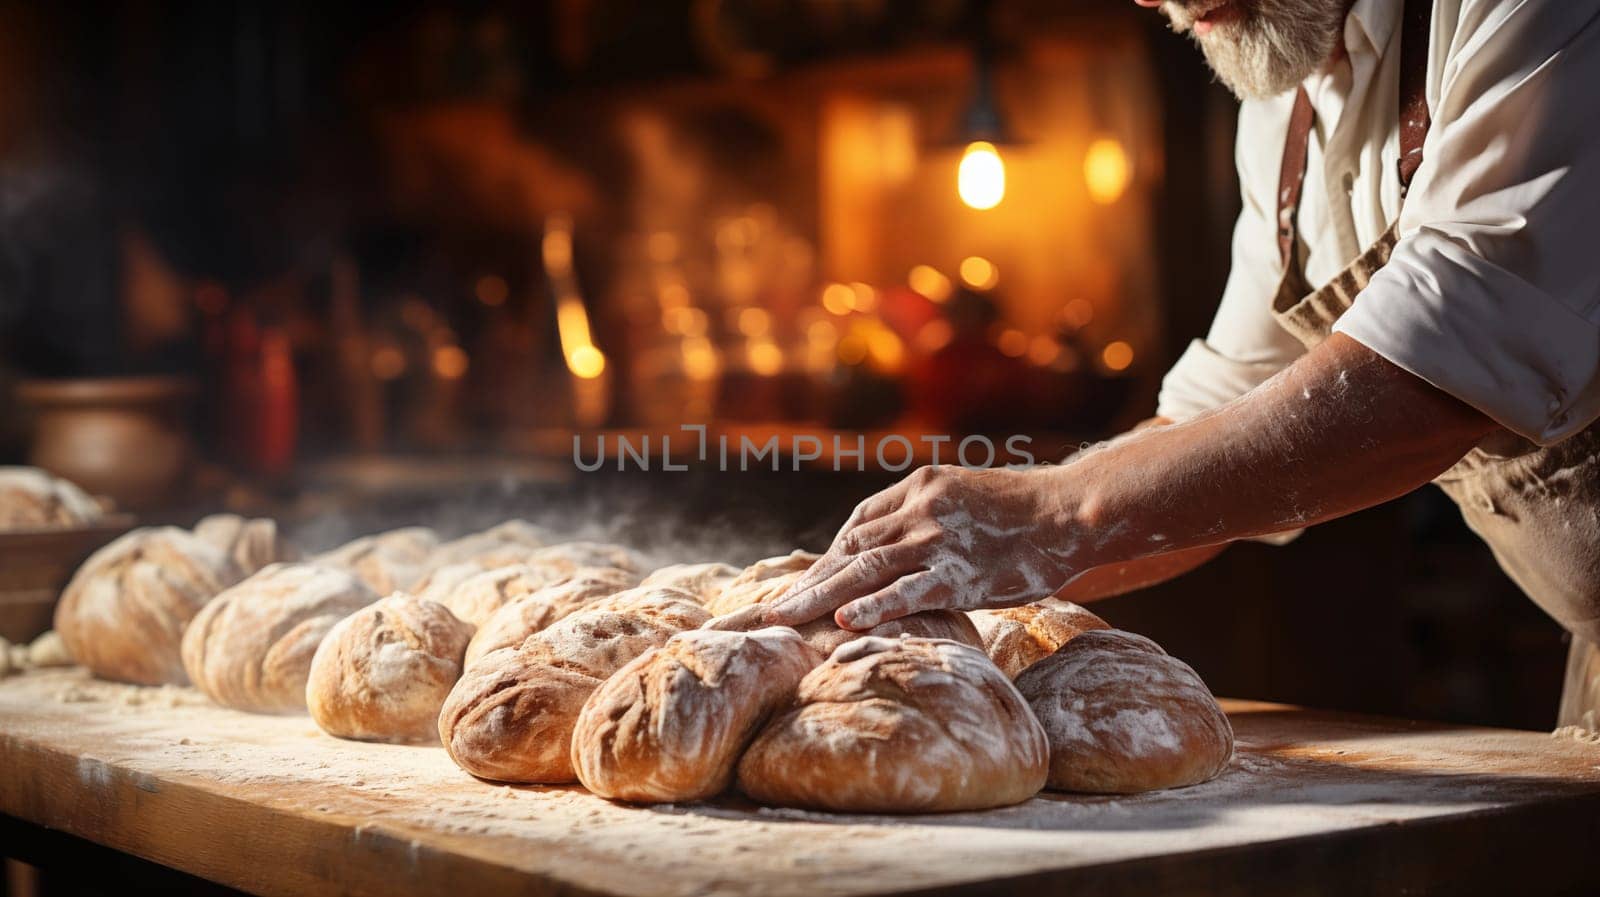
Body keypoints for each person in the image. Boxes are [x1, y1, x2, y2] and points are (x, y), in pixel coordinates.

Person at [764, 0, 1600, 729]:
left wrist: (1051, 514)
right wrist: (959, 565)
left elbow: (1433, 381)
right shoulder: (1287, 99)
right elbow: (1212, 422)